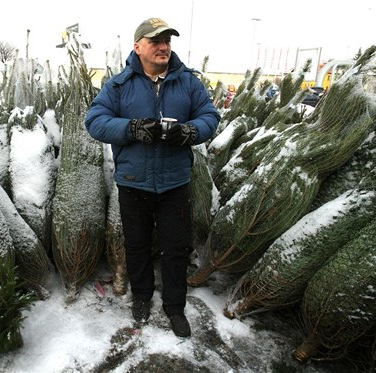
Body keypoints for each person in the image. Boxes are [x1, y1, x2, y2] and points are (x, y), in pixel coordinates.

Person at [84, 17, 220, 338]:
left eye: (167, 41)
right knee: (137, 245)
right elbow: (95, 121)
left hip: (174, 183)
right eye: (155, 41)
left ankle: (174, 307)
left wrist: (189, 131)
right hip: (133, 181)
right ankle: (142, 297)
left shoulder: (187, 83)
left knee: (176, 248)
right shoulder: (118, 85)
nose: (163, 47)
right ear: (138, 47)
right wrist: (129, 128)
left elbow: (210, 116)